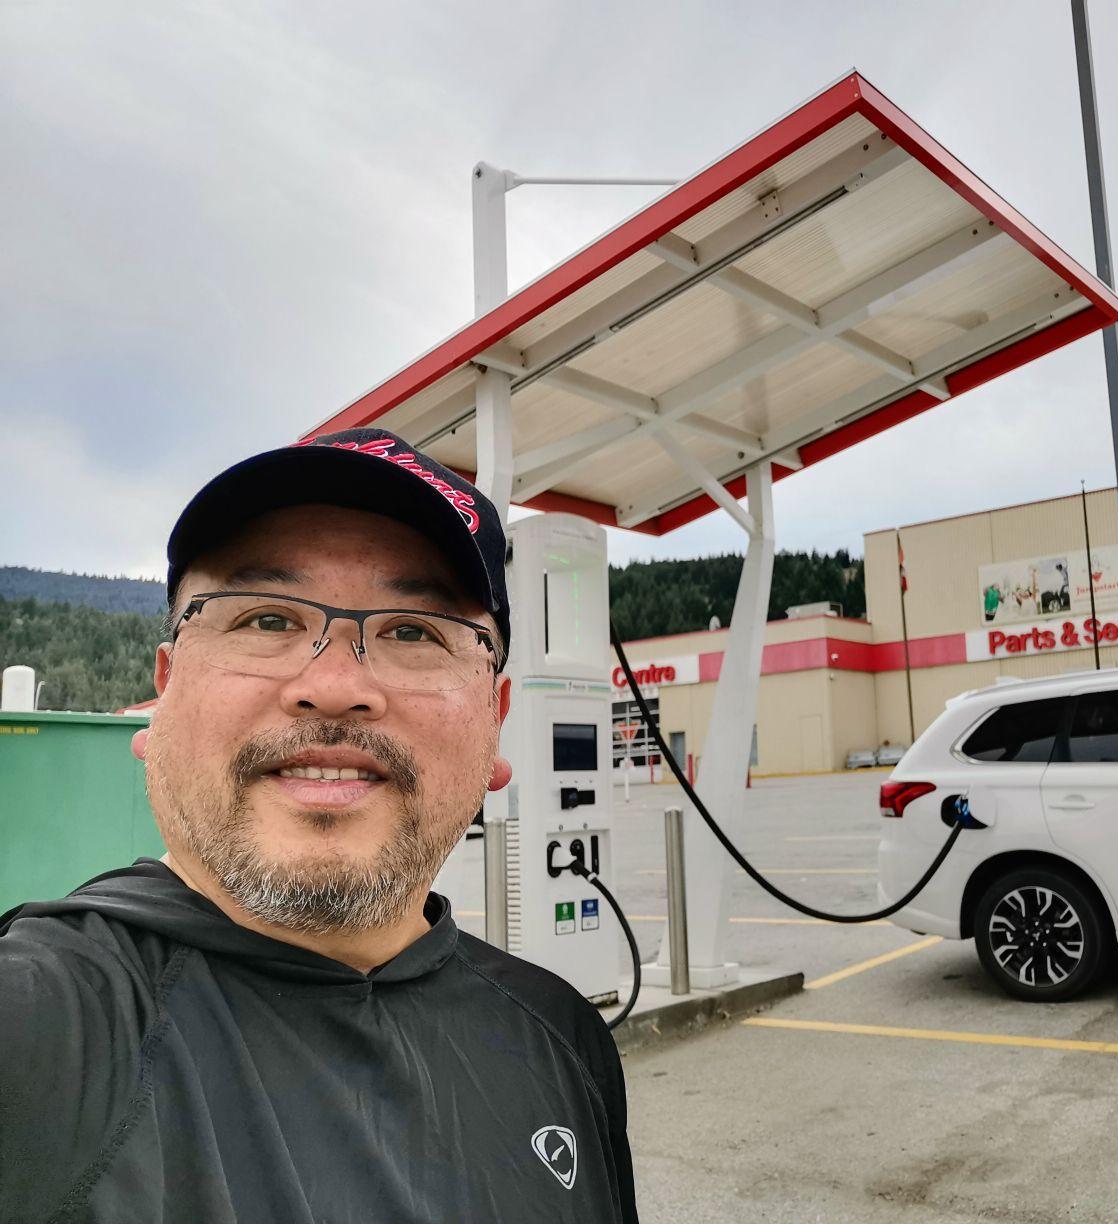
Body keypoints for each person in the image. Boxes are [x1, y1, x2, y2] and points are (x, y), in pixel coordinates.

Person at [0, 428, 639, 1222]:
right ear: (164, 695)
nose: (334, 686)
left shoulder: (562, 1040)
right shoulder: (41, 1025)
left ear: (494, 726)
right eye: (266, 619)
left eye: (414, 632)